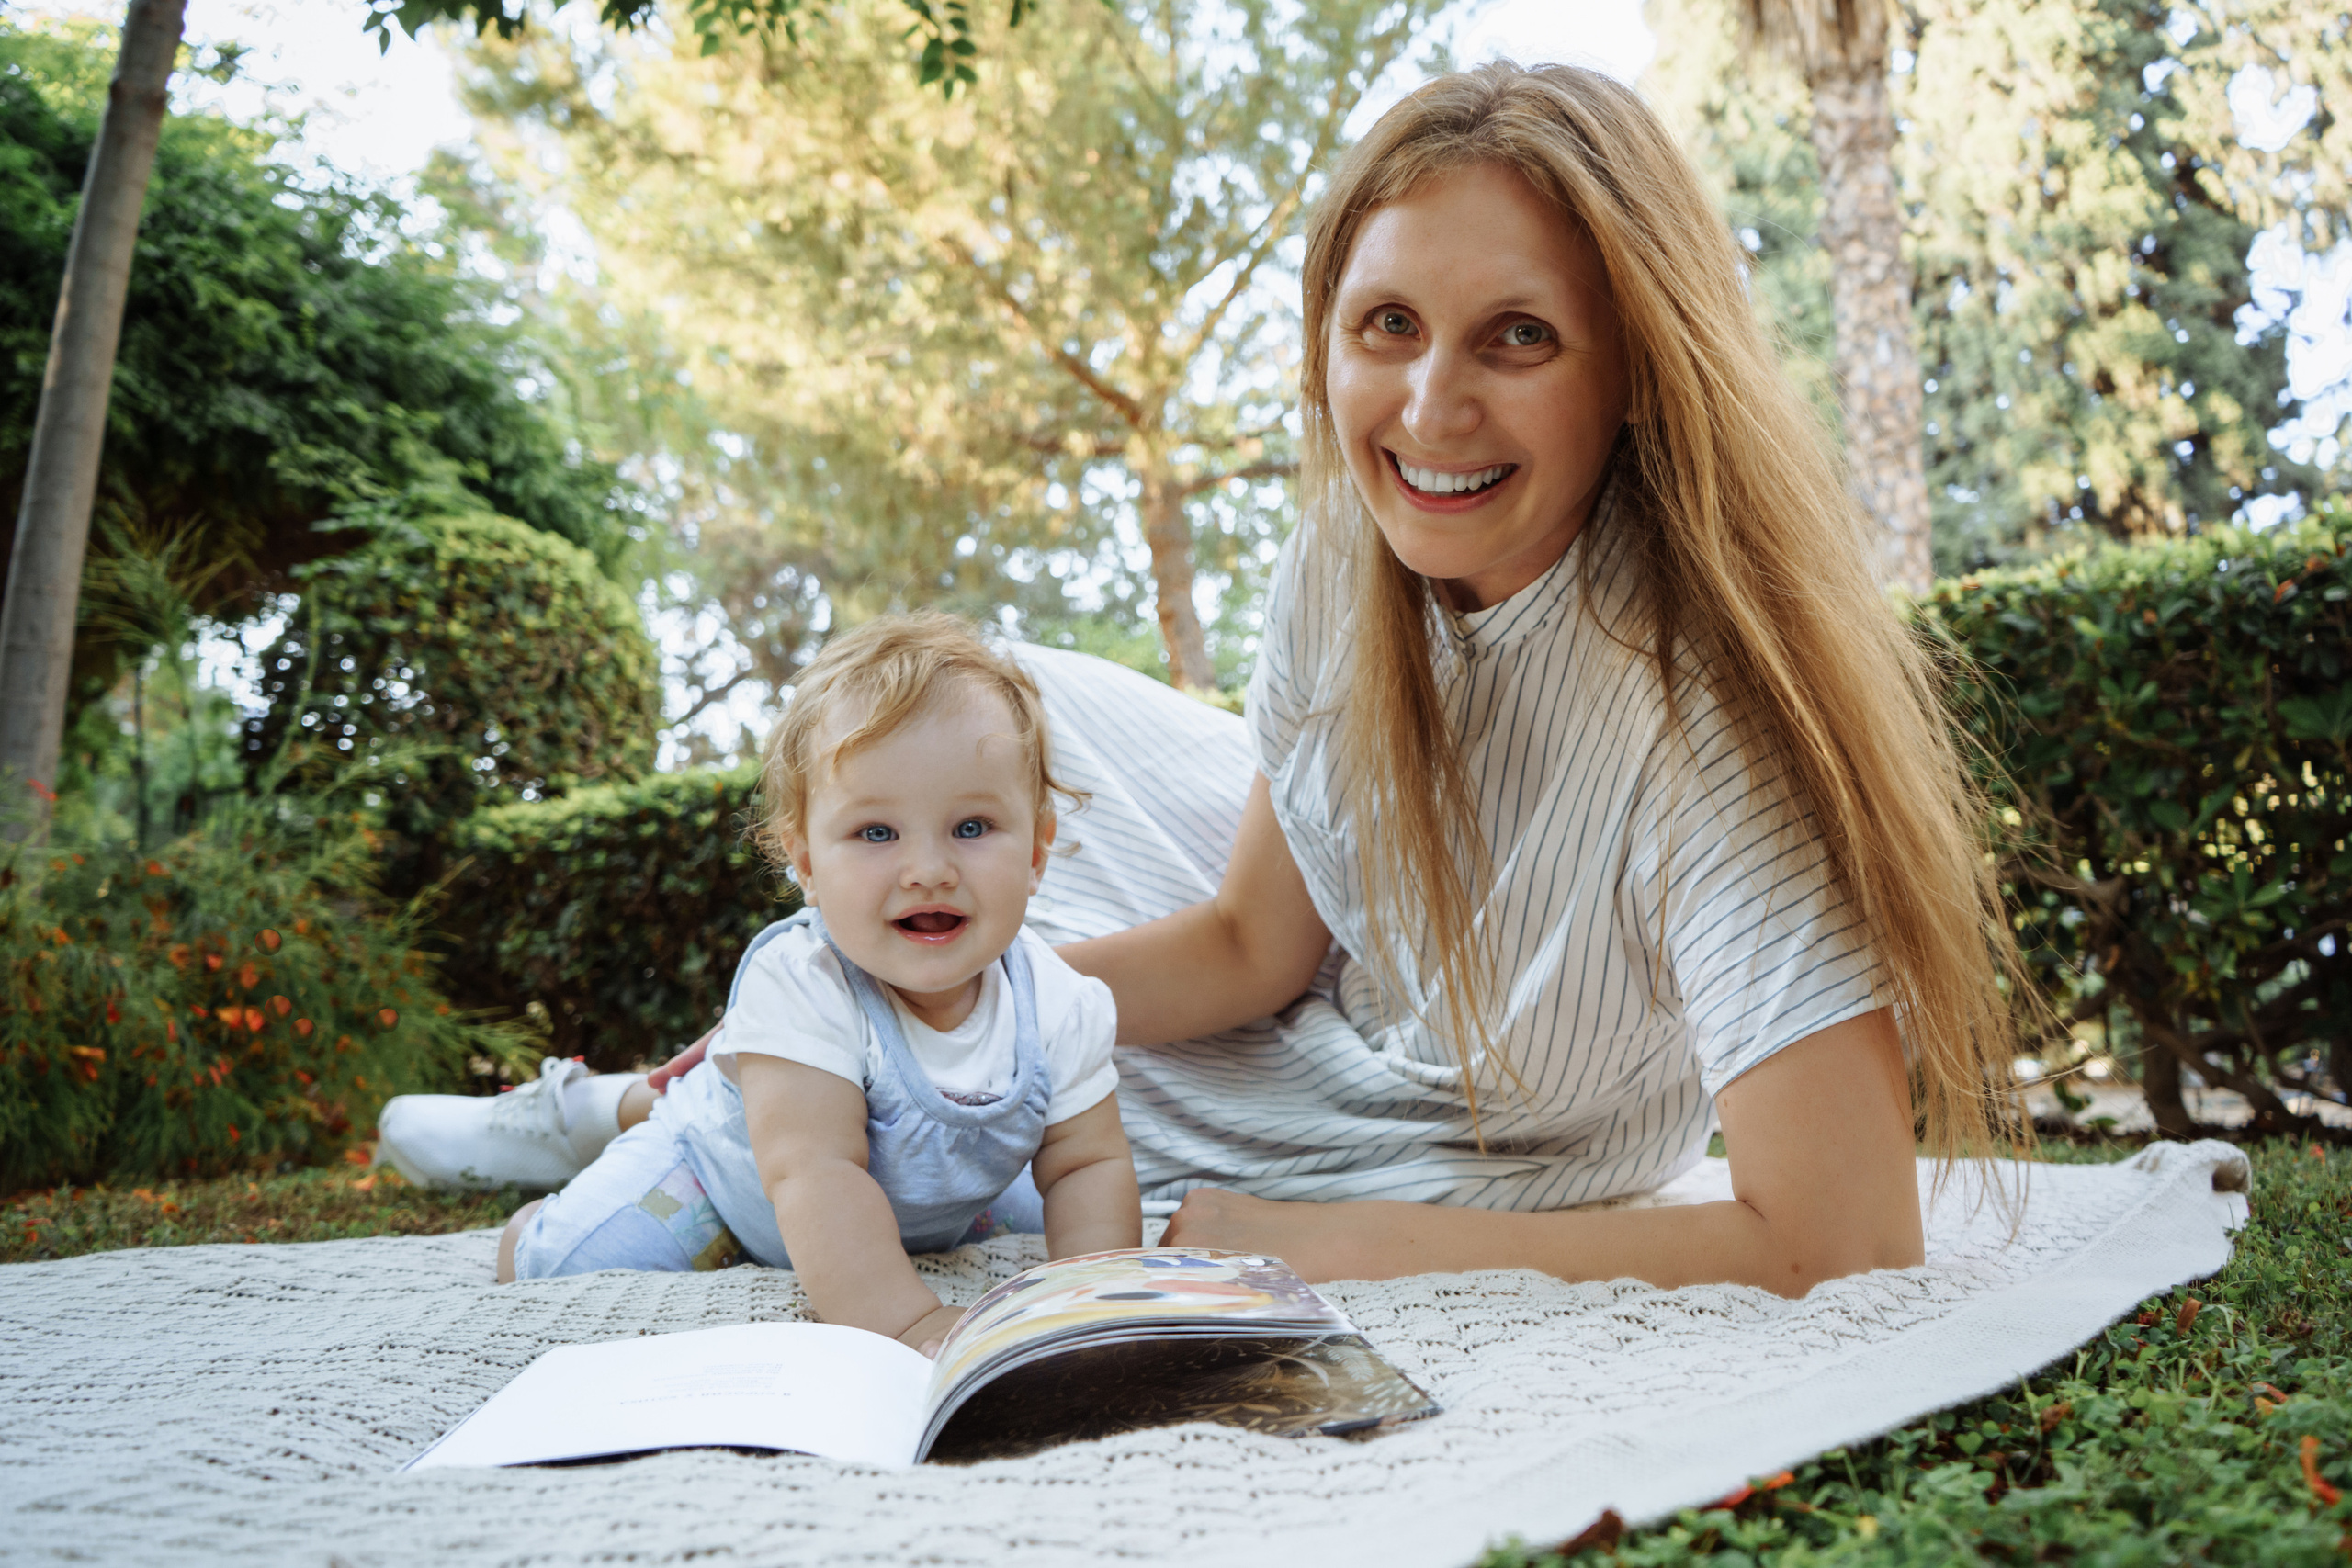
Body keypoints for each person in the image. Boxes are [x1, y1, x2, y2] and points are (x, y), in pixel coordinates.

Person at [381, 62, 2024, 1297]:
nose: (1431, 404)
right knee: (955, 726)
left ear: (1641, 378)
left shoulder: (1711, 723)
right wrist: (925, 1008)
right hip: (1324, 996)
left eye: (1517, 338)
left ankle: (681, 1111)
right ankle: (670, 1092)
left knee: (1038, 1072)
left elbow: (1842, 1233)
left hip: (1476, 1126)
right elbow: (1254, 944)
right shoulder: (1347, 556)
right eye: (1388, 324)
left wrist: (1321, 1238)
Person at [489, 614, 1141, 1355]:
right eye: (876, 833)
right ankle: (540, 1212)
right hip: (727, 1179)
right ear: (805, 860)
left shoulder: (1060, 1002)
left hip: (930, 1203)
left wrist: (1096, 1304)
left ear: (1037, 849)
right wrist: (908, 1325)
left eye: (971, 827)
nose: (928, 868)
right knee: (564, 1267)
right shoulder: (805, 983)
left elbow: (1087, 1160)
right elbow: (816, 1170)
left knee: (1048, 1214)